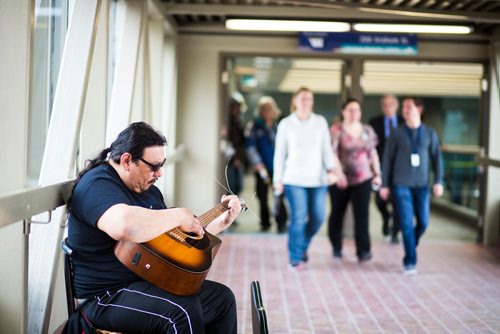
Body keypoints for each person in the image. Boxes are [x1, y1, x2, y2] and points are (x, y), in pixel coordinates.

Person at [66, 122, 242, 333]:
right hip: (105, 296)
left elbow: (171, 241)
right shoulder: (97, 184)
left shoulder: (148, 190)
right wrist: (177, 215)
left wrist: (220, 223)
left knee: (222, 299)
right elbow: (123, 225)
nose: (159, 174)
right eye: (154, 166)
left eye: (162, 164)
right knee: (181, 311)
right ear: (127, 160)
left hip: (145, 281)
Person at [273, 87, 337, 269]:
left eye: (309, 98)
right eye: (302, 98)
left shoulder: (320, 122)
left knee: (318, 217)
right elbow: (280, 154)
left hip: (318, 179)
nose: (306, 102)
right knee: (298, 218)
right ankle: (294, 258)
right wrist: (278, 179)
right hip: (293, 179)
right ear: (295, 101)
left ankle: (301, 246)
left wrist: (331, 169)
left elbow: (326, 149)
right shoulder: (286, 124)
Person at [380, 97, 444, 276]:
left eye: (410, 107)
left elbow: (437, 159)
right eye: (405, 108)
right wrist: (385, 184)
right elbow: (387, 160)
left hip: (422, 185)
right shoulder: (397, 133)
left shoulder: (430, 133)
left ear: (419, 109)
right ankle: (410, 261)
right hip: (401, 184)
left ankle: (410, 243)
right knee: (407, 222)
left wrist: (439, 181)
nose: (406, 111)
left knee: (423, 222)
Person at [328, 98, 381, 262]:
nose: (353, 113)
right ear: (343, 112)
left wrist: (377, 174)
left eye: (356, 110)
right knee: (337, 214)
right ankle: (336, 247)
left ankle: (363, 251)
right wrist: (339, 174)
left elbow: (372, 154)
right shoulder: (336, 130)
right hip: (340, 180)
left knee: (362, 216)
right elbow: (332, 153)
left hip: (363, 179)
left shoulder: (367, 130)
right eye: (350, 110)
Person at [245, 96, 288, 233]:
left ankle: (281, 222)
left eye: (269, 108)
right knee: (262, 196)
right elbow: (250, 147)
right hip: (262, 167)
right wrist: (258, 164)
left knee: (279, 194)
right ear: (260, 111)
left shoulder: (279, 125)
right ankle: (265, 222)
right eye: (264, 109)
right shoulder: (254, 126)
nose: (267, 111)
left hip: (278, 167)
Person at [369, 94, 404, 243]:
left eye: (390, 104)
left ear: (396, 106)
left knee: (398, 202)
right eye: (384, 104)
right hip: (381, 168)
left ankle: (395, 233)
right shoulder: (374, 122)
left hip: (400, 170)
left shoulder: (404, 122)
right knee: (379, 200)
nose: (387, 107)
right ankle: (386, 217)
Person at [222, 93, 247, 197]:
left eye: (238, 108)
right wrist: (234, 159)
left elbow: (241, 142)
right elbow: (226, 143)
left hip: (239, 159)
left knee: (239, 186)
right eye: (234, 107)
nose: (236, 110)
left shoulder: (238, 122)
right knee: (231, 187)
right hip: (231, 160)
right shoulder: (226, 123)